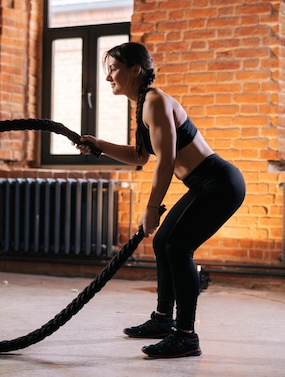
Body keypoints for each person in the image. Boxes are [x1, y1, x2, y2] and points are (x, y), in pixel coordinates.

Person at [75, 42, 245, 358]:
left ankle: (186, 335)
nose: (108, 77)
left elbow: (165, 160)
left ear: (135, 70)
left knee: (178, 247)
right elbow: (141, 156)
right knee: (163, 242)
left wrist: (152, 207)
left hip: (219, 182)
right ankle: (163, 320)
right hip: (204, 184)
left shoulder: (153, 100)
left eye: (113, 69)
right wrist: (99, 145)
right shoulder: (144, 106)